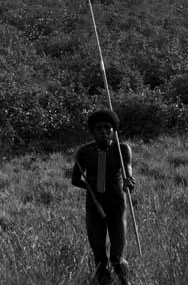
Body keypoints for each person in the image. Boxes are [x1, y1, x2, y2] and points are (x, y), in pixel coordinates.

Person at [71, 109, 136, 285]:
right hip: (94, 206)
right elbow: (75, 180)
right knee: (99, 254)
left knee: (117, 256)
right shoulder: (84, 152)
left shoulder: (122, 149)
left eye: (108, 128)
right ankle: (104, 282)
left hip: (117, 205)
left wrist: (128, 181)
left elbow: (127, 171)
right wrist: (91, 188)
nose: (104, 132)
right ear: (92, 131)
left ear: (114, 130)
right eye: (99, 128)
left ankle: (124, 282)